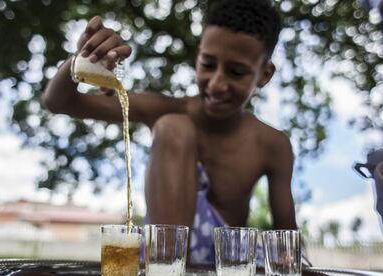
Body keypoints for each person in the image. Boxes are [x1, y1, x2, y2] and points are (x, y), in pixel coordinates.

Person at [43, 0, 301, 266]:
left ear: (264, 74)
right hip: (163, 257)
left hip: (229, 263)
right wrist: (83, 61)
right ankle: (168, 267)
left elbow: (288, 241)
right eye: (208, 65)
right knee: (173, 127)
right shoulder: (166, 109)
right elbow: (58, 102)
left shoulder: (273, 144)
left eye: (236, 72)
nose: (217, 83)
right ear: (198, 56)